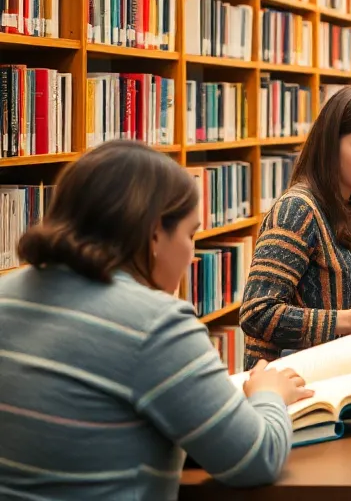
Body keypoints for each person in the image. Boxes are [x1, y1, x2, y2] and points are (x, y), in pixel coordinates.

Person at [0, 140, 309, 496]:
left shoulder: (9, 295)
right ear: (155, 235)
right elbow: (256, 460)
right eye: (190, 234)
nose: (192, 254)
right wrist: (270, 394)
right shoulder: (155, 323)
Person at [241, 85, 351, 399]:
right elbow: (257, 313)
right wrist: (350, 319)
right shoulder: (298, 210)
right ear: (330, 144)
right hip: (302, 397)